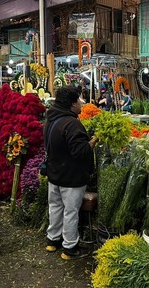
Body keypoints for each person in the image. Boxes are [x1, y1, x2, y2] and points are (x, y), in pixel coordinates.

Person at [44, 85, 98, 259]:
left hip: (54, 174)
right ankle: (70, 248)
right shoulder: (72, 123)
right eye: (80, 99)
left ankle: (53, 240)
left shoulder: (51, 119)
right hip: (71, 177)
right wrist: (93, 140)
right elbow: (80, 152)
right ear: (72, 103)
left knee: (55, 208)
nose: (82, 102)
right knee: (71, 211)